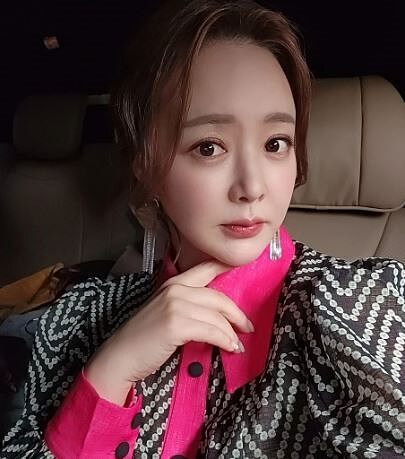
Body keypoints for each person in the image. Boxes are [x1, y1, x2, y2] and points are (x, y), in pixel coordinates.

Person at [2, 0, 405, 457]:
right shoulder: (77, 319)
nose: (252, 187)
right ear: (145, 165)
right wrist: (111, 373)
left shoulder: (362, 305)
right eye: (209, 147)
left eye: (276, 143)